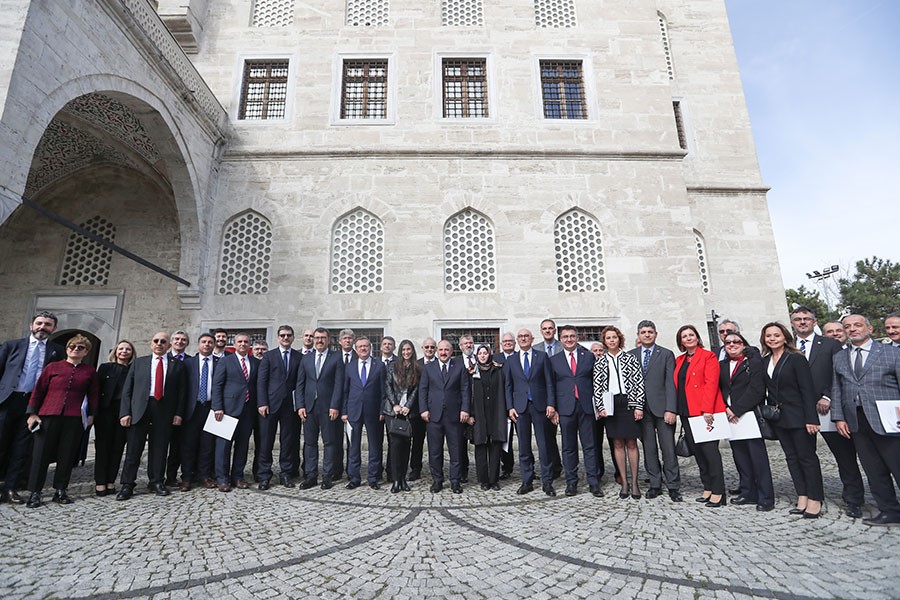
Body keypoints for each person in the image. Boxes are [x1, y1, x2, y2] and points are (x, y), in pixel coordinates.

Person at [791, 306, 864, 518]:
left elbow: (839, 374)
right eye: (798, 319)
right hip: (800, 412)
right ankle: (811, 496)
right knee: (805, 457)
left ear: (814, 322)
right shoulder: (789, 347)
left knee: (844, 457)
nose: (802, 322)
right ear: (793, 323)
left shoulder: (831, 344)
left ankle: (854, 499)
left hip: (826, 409)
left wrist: (828, 396)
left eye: (806, 318)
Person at [832, 314, 900, 526]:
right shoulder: (840, 357)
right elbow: (837, 389)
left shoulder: (891, 353)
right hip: (857, 420)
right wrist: (838, 417)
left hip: (890, 419)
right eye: (847, 327)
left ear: (869, 329)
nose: (852, 329)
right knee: (873, 469)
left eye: (857, 325)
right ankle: (889, 510)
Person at [23, 335, 99, 508]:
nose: (75, 349)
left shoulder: (89, 371)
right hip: (48, 415)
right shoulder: (53, 367)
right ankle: (35, 492)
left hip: (73, 418)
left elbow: (93, 395)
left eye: (80, 347)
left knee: (67, 455)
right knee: (40, 455)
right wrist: (32, 413)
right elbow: (38, 390)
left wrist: (92, 415)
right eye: (72, 346)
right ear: (67, 348)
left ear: (86, 351)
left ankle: (60, 490)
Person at [760, 321, 823, 518]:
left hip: (799, 416)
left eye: (776, 335)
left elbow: (807, 389)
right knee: (791, 458)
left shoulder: (796, 358)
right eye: (768, 336)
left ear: (785, 337)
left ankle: (815, 498)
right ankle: (802, 495)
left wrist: (811, 419)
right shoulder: (765, 360)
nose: (772, 339)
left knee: (807, 458)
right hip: (779, 418)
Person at [0, 311, 64, 504]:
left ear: (54, 329)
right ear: (31, 325)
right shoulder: (12, 346)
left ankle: (10, 488)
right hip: (7, 401)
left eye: (47, 324)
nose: (42, 327)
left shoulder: (57, 351)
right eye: (39, 323)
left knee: (22, 448)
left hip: (34, 405)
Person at [117, 332, 188, 500]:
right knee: (133, 449)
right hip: (140, 409)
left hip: (164, 410)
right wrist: (125, 412)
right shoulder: (139, 363)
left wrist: (178, 413)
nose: (159, 344)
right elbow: (127, 390)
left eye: (163, 341)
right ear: (151, 344)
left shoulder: (177, 365)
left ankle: (156, 481)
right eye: (156, 341)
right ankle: (127, 484)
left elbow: (182, 393)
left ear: (169, 346)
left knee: (160, 449)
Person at [718, 331, 774, 511]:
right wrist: (726, 410)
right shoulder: (722, 365)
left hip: (748, 415)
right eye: (728, 343)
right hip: (729, 417)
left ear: (743, 343)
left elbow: (757, 390)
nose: (732, 345)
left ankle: (765, 496)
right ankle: (748, 492)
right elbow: (719, 389)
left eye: (736, 341)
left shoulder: (754, 362)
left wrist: (736, 409)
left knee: (757, 458)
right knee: (740, 457)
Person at [673, 324, 726, 508]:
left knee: (710, 452)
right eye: (684, 336)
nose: (688, 338)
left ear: (697, 337)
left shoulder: (708, 356)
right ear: (680, 341)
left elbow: (711, 383)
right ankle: (708, 487)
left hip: (705, 412)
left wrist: (707, 409)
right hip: (687, 412)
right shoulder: (679, 360)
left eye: (691, 335)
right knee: (698, 452)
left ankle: (719, 491)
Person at [629, 320, 681, 502]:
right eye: (643, 332)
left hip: (662, 408)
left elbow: (671, 384)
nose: (647, 334)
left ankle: (673, 485)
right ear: (638, 335)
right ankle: (655, 484)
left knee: (668, 449)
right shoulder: (631, 355)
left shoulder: (666, 354)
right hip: (641, 411)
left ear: (656, 334)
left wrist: (671, 409)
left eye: (650, 331)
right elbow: (630, 385)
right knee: (649, 448)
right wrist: (634, 406)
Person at [548, 325, 601, 498]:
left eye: (572, 336)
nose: (569, 339)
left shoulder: (589, 357)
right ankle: (571, 482)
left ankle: (594, 482)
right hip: (565, 408)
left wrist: (599, 406)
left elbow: (597, 382)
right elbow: (551, 386)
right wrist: (553, 407)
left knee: (590, 446)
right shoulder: (554, 360)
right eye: (565, 337)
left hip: (586, 407)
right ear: (560, 339)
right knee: (568, 448)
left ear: (577, 338)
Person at [593, 326, 644, 500]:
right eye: (608, 338)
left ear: (619, 339)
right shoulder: (600, 361)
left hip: (628, 403)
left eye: (614, 337)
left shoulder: (630, 358)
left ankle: (635, 482)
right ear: (605, 341)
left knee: (631, 443)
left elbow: (638, 383)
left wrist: (638, 406)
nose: (612, 340)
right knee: (617, 444)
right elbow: (597, 387)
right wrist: (601, 407)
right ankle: (624, 482)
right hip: (611, 404)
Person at [505, 329, 557, 496]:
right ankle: (526, 480)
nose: (523, 339)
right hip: (520, 408)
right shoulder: (512, 360)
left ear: (532, 339)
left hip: (540, 405)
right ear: (517, 340)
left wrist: (551, 403)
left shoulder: (541, 357)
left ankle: (547, 481)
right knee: (524, 446)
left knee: (544, 445)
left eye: (526, 336)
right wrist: (510, 407)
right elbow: (508, 385)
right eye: (520, 336)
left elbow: (549, 382)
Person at [295, 327, 345, 490]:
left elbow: (339, 384)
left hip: (328, 407)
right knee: (310, 443)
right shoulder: (306, 359)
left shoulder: (336, 358)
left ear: (328, 340)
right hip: (309, 407)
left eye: (323, 338)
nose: (319, 340)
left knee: (329, 442)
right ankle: (311, 476)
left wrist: (335, 405)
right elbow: (300, 384)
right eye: (317, 338)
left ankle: (327, 476)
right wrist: (300, 405)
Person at [418, 339, 470, 493]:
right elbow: (423, 390)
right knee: (434, 451)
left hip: (454, 416)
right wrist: (423, 410)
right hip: (433, 416)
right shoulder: (428, 368)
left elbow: (465, 390)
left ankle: (455, 481)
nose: (443, 352)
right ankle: (437, 480)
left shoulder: (459, 367)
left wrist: (465, 410)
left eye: (446, 350)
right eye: (440, 350)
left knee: (456, 450)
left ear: (451, 351)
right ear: (437, 351)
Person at [211, 333, 259, 492]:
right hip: (227, 410)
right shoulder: (226, 361)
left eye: (246, 341)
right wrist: (217, 406)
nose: (243, 344)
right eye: (240, 341)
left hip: (248, 409)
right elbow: (217, 385)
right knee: (223, 446)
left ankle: (237, 476)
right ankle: (222, 479)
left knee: (242, 445)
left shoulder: (255, 362)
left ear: (250, 344)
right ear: (235, 344)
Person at [256, 325, 302, 489]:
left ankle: (286, 474)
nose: (285, 338)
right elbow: (261, 381)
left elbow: (300, 382)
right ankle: (264, 475)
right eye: (282, 335)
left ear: (293, 337)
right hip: (270, 404)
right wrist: (262, 402)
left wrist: (300, 404)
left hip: (290, 405)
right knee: (266, 441)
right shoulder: (269, 356)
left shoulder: (298, 357)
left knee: (287, 441)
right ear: (278, 338)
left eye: (288, 335)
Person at [342, 337, 386, 489]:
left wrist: (382, 410)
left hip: (373, 412)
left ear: (370, 348)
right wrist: (344, 411)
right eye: (360, 346)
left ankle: (373, 477)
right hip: (353, 411)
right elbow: (345, 391)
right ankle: (354, 478)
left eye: (366, 346)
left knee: (375, 446)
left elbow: (383, 391)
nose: (363, 349)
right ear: (356, 349)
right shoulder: (350, 366)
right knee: (354, 447)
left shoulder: (379, 366)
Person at [93, 340, 135, 497]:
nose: (124, 351)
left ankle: (110, 480)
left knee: (118, 448)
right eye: (121, 348)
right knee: (102, 448)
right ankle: (100, 482)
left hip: (124, 412)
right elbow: (96, 390)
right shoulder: (105, 368)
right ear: (116, 351)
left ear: (132, 353)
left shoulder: (133, 369)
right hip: (105, 412)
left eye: (128, 349)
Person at [179, 333, 218, 491]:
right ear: (198, 344)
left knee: (207, 445)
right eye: (204, 342)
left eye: (210, 342)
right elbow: (182, 388)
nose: (207, 344)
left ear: (214, 345)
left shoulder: (220, 362)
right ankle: (187, 477)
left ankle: (204, 475)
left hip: (211, 407)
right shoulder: (188, 363)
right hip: (192, 408)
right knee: (188, 444)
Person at [468, 345, 507, 490]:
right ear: (476, 356)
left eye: (485, 353)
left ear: (490, 355)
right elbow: (467, 394)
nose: (483, 356)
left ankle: (494, 479)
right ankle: (483, 480)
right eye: (480, 353)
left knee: (495, 447)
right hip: (478, 414)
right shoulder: (472, 372)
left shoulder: (497, 370)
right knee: (480, 447)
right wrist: (470, 414)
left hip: (496, 412)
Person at [384, 339, 420, 492]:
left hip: (408, 413)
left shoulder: (417, 368)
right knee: (395, 445)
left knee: (406, 446)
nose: (406, 352)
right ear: (400, 351)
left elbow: (417, 390)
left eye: (409, 349)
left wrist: (408, 406)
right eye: (404, 350)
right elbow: (388, 387)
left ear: (412, 351)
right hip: (393, 412)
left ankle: (403, 479)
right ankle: (395, 479)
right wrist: (395, 405)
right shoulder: (392, 367)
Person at [533, 318, 563, 479]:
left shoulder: (563, 346)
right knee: (547, 436)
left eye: (550, 328)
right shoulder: (535, 349)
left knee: (567, 435)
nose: (547, 331)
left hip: (563, 394)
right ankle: (553, 467)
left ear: (555, 330)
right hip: (545, 399)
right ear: (541, 331)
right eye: (544, 328)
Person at [409, 338, 437, 481]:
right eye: (427, 347)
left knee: (435, 443)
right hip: (418, 410)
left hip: (436, 411)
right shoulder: (416, 365)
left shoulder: (440, 364)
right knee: (417, 442)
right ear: (422, 348)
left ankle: (436, 470)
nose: (430, 349)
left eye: (432, 347)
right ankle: (415, 469)